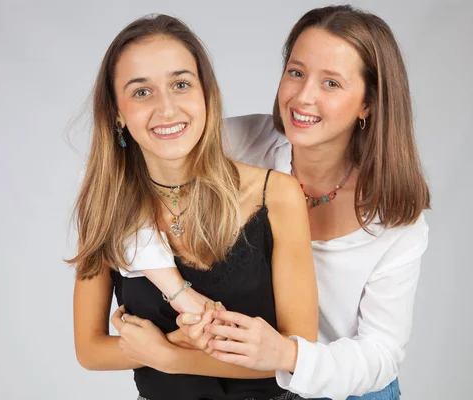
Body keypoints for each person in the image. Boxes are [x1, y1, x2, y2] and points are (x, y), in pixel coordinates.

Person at [118, 5, 430, 400]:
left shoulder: (398, 218)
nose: (303, 97)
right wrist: (176, 290)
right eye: (296, 73)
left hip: (348, 390)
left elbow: (381, 353)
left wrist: (287, 354)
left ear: (368, 103)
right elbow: (120, 181)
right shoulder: (237, 145)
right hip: (255, 384)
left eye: (331, 83)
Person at [67, 13, 318, 400]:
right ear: (116, 112)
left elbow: (297, 355)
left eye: (181, 84)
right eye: (141, 91)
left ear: (206, 94)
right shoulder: (104, 207)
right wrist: (167, 343)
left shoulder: (278, 196)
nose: (166, 109)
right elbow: (89, 349)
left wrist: (168, 355)